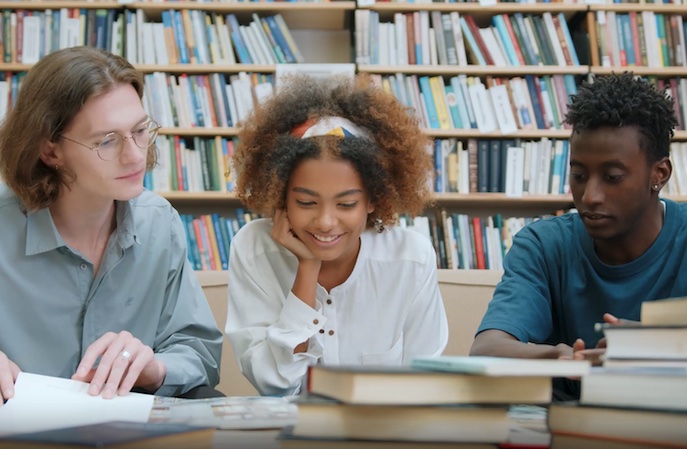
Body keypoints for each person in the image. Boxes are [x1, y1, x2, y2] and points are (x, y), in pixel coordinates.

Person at [470, 73, 687, 400]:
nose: (590, 196)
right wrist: (559, 357)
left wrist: (652, 349)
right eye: (579, 175)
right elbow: (486, 349)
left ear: (660, 174)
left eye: (612, 177)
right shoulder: (543, 246)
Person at [0, 47, 223, 403]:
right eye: (106, 140)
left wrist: (154, 369)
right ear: (50, 151)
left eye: (139, 131)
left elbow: (198, 352)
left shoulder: (158, 222)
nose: (135, 155)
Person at [226, 74, 449, 396]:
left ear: (373, 199)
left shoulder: (411, 257)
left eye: (346, 203)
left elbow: (424, 380)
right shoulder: (253, 248)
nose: (326, 221)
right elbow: (273, 383)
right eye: (306, 202)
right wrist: (307, 269)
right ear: (281, 197)